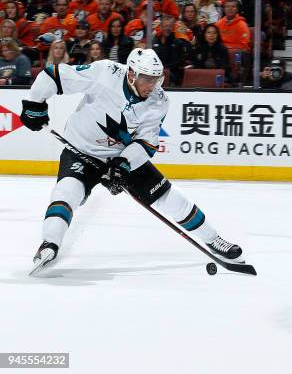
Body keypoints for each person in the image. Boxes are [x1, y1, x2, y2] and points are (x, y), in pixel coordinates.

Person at [20, 48, 246, 274]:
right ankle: (49, 244)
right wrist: (34, 103)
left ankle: (213, 239)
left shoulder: (159, 101)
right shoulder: (105, 72)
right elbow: (53, 75)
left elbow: (146, 143)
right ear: (131, 75)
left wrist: (123, 165)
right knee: (67, 191)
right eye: (147, 79)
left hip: (121, 156)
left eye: (156, 79)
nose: (152, 85)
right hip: (81, 149)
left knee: (169, 197)